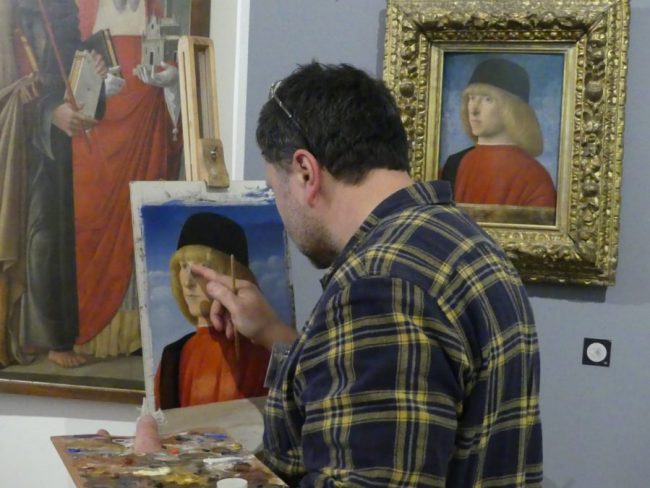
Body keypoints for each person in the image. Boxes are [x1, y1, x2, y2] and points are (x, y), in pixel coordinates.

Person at [192, 62, 543, 486]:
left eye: (274, 189)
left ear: (305, 172)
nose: (279, 208)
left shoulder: (381, 286)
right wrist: (273, 334)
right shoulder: (458, 238)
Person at [11, 0, 108, 368]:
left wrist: (94, 77)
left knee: (54, 237)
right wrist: (51, 112)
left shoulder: (63, 9)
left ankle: (55, 339)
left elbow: (72, 78)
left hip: (53, 151)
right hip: (18, 146)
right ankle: (41, 337)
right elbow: (10, 87)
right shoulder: (11, 12)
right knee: (41, 237)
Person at [154, 212, 270, 409]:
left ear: (231, 275)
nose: (188, 282)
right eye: (183, 266)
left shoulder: (261, 353)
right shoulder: (172, 357)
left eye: (201, 269)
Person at [442, 58, 556, 208]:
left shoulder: (534, 177)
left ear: (512, 110)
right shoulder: (453, 165)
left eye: (488, 99)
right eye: (471, 98)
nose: (474, 110)